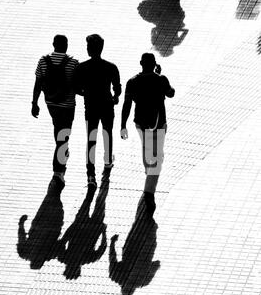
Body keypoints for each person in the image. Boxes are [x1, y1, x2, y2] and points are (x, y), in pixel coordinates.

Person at [121, 53, 175, 214]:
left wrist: (123, 125)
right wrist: (160, 76)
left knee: (147, 148)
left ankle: (148, 172)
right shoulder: (161, 79)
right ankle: (149, 193)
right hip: (159, 123)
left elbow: (127, 105)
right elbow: (171, 93)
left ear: (140, 63)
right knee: (157, 157)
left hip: (141, 123)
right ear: (154, 64)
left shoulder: (132, 82)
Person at [31, 35, 79, 189]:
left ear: (53, 45)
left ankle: (62, 151)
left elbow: (38, 82)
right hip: (68, 105)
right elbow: (78, 86)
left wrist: (34, 103)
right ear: (66, 45)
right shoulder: (73, 63)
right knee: (62, 138)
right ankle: (58, 173)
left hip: (51, 104)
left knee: (59, 131)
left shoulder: (43, 61)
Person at [74, 34, 121, 188]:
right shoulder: (111, 67)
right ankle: (107, 161)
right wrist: (115, 97)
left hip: (91, 107)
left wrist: (85, 93)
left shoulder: (81, 68)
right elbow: (117, 89)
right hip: (107, 105)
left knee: (91, 139)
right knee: (107, 133)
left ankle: (90, 175)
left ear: (89, 49)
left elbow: (76, 88)